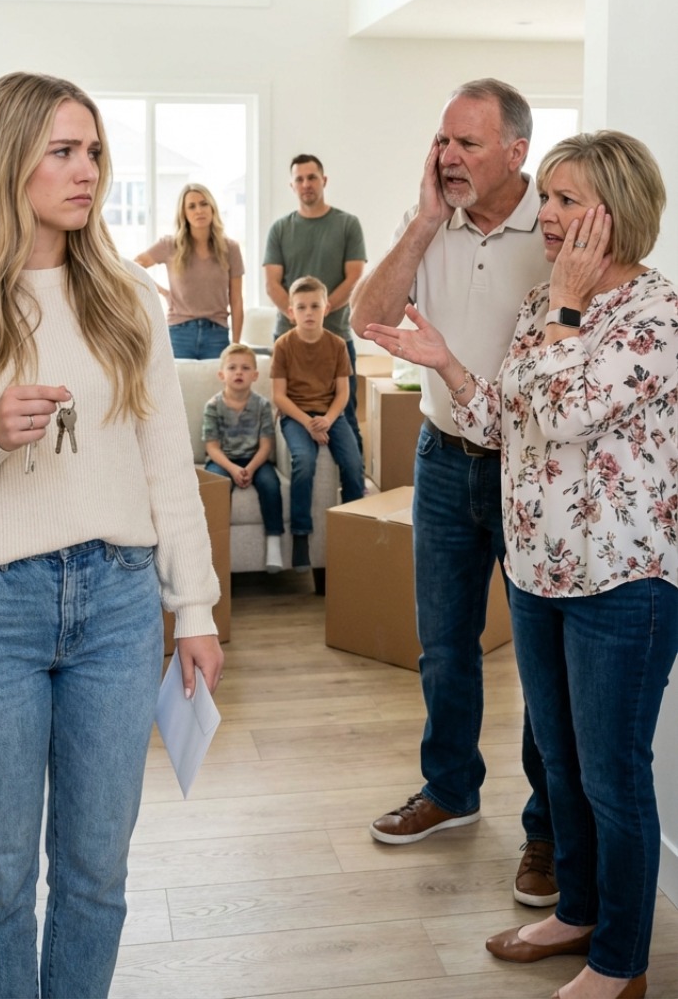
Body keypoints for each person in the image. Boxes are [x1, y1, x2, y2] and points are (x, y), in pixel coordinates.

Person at [0, 72, 224, 999]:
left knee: (97, 873)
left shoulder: (126, 300)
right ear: (5, 159)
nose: (88, 173)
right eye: (63, 152)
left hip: (115, 605)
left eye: (94, 151)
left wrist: (195, 610)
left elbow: (163, 471)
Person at [365, 129, 678, 999]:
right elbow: (510, 422)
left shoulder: (659, 315)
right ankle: (576, 911)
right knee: (563, 761)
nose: (546, 215)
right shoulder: (547, 301)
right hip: (539, 573)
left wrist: (567, 308)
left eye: (566, 200)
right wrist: (447, 365)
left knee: (614, 776)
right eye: (546, 197)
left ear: (616, 213)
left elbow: (572, 413)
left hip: (622, 584)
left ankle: (620, 963)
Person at [351, 78, 556, 906]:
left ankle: (546, 832)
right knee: (443, 643)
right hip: (442, 458)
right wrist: (424, 220)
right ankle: (450, 790)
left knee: (542, 662)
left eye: (468, 144)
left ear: (517, 152)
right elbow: (364, 318)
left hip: (529, 468)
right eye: (443, 141)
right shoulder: (429, 223)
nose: (448, 156)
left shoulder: (554, 228)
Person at [264, 154, 366, 452]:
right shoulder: (280, 229)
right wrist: (298, 316)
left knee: (346, 415)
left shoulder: (348, 224)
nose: (306, 184)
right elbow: (272, 283)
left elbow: (355, 276)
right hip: (288, 336)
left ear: (324, 180)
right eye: (299, 179)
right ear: (291, 185)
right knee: (292, 419)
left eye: (312, 177)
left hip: (336, 335)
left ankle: (356, 485)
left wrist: (321, 311)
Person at [271, 276, 365, 570]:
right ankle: (301, 535)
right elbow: (279, 396)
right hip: (296, 416)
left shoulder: (337, 345)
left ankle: (353, 530)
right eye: (301, 307)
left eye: (314, 306)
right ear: (291, 312)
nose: (308, 312)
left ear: (327, 308)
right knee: (304, 461)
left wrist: (326, 420)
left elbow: (343, 393)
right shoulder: (283, 345)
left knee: (353, 464)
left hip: (329, 415)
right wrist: (308, 423)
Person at [136, 182, 243, 359]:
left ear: (212, 208)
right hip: (179, 333)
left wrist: (237, 345)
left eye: (203, 204)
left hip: (217, 333)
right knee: (178, 386)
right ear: (184, 213)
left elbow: (237, 300)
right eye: (191, 206)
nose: (199, 210)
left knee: (214, 386)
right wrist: (162, 292)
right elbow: (135, 266)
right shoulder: (170, 245)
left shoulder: (230, 248)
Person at [203, 342, 285, 572]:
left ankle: (274, 543)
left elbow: (266, 445)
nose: (239, 372)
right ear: (222, 374)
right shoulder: (213, 406)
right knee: (216, 487)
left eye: (245, 368)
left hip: (255, 459)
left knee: (270, 484)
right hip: (223, 461)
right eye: (232, 368)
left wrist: (250, 468)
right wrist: (233, 469)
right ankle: (215, 546)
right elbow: (212, 447)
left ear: (255, 375)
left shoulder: (262, 405)